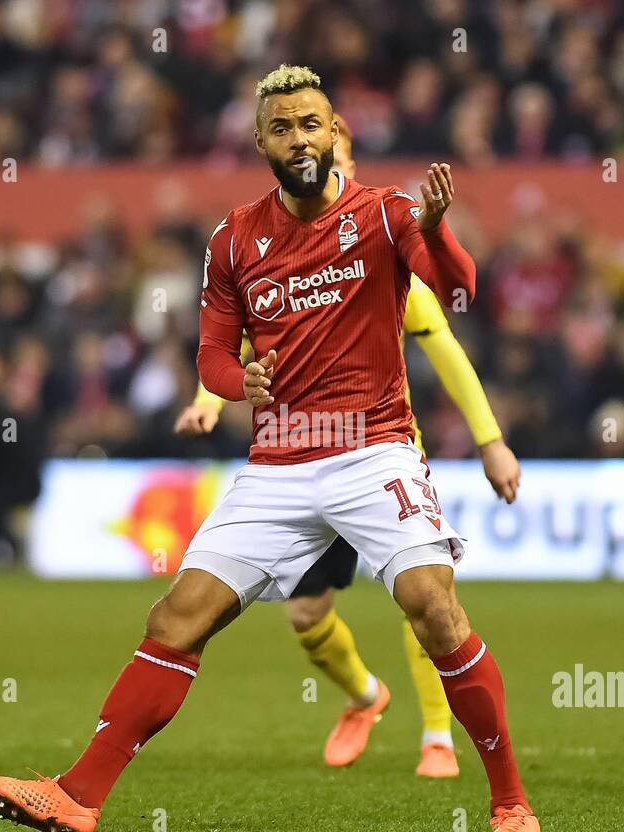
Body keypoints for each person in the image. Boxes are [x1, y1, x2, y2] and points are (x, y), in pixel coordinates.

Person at [0, 64, 540, 832]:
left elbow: (459, 287)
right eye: (282, 127)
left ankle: (510, 803)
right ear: (260, 141)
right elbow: (209, 356)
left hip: (373, 450)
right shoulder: (234, 238)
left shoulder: (387, 213)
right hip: (277, 465)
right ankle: (76, 796)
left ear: (337, 130)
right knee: (177, 616)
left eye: (311, 123)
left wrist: (440, 228)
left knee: (431, 605)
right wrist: (239, 380)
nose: (298, 138)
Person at [173, 113, 520, 778]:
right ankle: (365, 696)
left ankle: (438, 737)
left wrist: (490, 440)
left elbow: (443, 346)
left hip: (379, 455)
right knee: (306, 614)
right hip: (300, 459)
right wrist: (206, 400)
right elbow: (245, 349)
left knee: (423, 596)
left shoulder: (382, 246)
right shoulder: (272, 249)